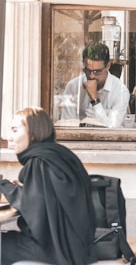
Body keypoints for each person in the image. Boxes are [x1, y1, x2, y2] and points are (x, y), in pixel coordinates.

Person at [0, 107, 97, 265]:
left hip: (53, 249)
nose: (9, 138)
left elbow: (34, 209)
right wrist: (25, 189)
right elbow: (47, 197)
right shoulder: (60, 155)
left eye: (14, 130)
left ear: (33, 132)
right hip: (78, 246)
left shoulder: (39, 162)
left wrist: (5, 187)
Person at [61, 42, 130, 127]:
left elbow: (113, 129)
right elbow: (67, 124)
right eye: (88, 71)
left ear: (108, 66)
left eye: (97, 72)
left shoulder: (120, 91)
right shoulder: (73, 87)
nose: (91, 76)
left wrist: (95, 101)